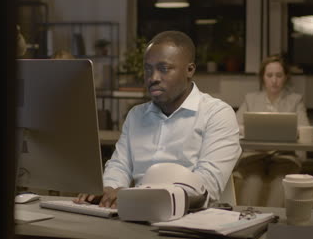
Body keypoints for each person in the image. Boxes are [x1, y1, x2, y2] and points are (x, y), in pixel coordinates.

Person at [74, 30, 241, 208]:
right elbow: (119, 165)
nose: (153, 78)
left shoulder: (217, 114)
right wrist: (108, 189)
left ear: (190, 70)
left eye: (164, 69)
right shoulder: (136, 115)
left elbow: (205, 187)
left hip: (194, 220)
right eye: (148, 69)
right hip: (137, 214)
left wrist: (135, 195)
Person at [235, 54, 310, 207]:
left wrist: (293, 131)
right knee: (252, 183)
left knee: (280, 185)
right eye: (269, 75)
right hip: (254, 156)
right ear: (263, 77)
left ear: (286, 77)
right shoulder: (251, 99)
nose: (274, 80)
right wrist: (247, 129)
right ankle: (246, 225)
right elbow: (234, 127)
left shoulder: (295, 100)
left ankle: (273, 224)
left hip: (284, 156)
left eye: (279, 75)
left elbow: (304, 129)